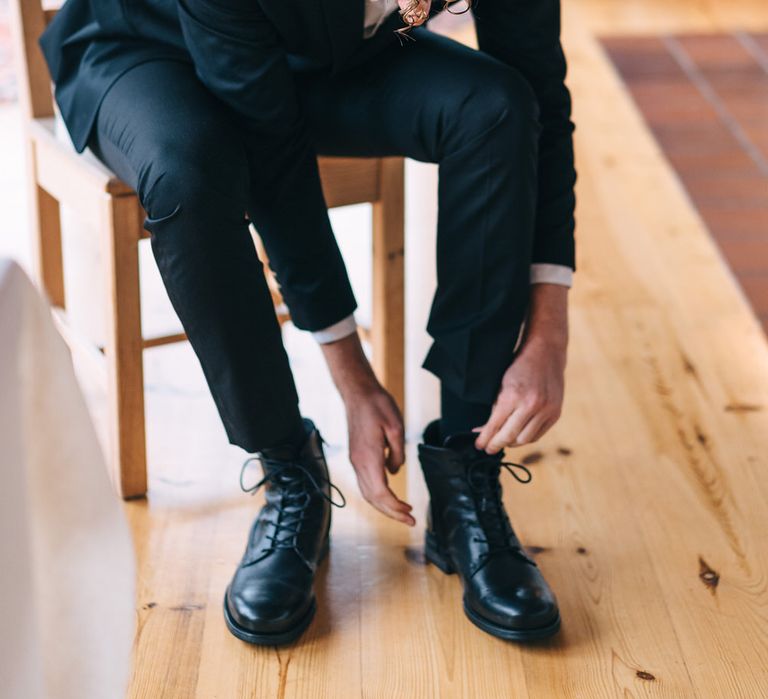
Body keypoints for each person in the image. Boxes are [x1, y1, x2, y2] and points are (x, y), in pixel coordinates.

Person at [40, 0, 576, 644]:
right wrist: (352, 379)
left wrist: (548, 333)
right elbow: (271, 153)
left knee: (496, 106)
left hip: (324, 50)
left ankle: (468, 463)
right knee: (190, 170)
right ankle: (288, 466)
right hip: (146, 49)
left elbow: (541, 89)